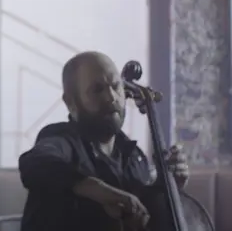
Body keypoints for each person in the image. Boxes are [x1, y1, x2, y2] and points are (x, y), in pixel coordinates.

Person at [18, 51, 190, 231]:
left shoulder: (134, 157)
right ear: (71, 102)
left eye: (116, 86)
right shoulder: (61, 140)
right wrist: (100, 191)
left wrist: (169, 189)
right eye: (97, 89)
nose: (111, 97)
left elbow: (145, 218)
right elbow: (34, 163)